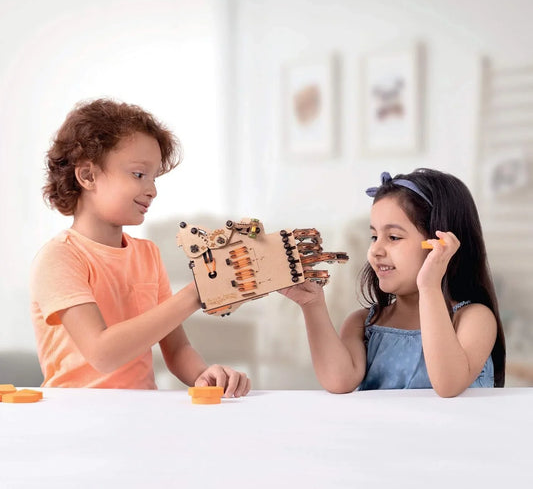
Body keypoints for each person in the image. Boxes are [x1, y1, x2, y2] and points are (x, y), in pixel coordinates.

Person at [30, 98, 250, 397]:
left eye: (154, 178)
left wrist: (204, 374)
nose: (152, 190)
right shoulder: (60, 257)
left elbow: (177, 349)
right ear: (88, 176)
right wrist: (196, 293)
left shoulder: (148, 254)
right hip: (75, 412)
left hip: (140, 410)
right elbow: (102, 353)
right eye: (138, 174)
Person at [280, 169, 506, 397]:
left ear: (439, 245)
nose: (375, 250)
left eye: (394, 237)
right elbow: (339, 382)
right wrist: (312, 305)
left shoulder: (473, 319)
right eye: (374, 237)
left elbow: (448, 385)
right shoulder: (363, 324)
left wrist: (429, 287)